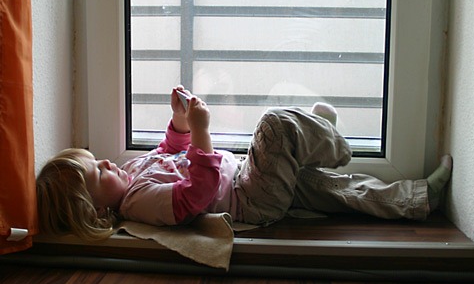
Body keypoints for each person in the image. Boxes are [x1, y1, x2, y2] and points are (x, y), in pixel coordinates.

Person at [36, 87, 452, 240]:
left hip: (248, 181)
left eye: (97, 159)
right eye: (98, 172)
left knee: (333, 190)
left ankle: (417, 199)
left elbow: (169, 151)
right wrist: (202, 132)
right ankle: (328, 136)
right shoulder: (138, 202)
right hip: (250, 199)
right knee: (273, 126)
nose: (106, 162)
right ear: (97, 211)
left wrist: (181, 123)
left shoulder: (132, 174)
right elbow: (195, 196)